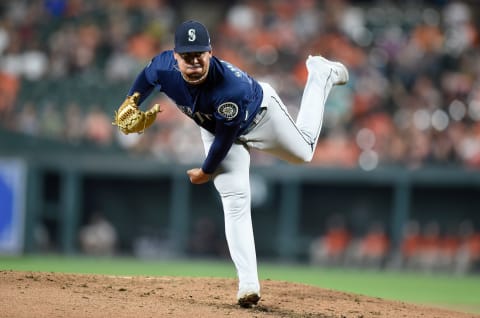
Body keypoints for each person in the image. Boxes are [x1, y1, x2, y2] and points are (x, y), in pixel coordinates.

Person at [117, 20, 348, 308]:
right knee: (234, 197)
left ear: (210, 53)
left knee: (304, 154)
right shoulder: (163, 67)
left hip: (260, 117)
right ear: (175, 56)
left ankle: (320, 75)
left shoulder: (230, 88)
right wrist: (131, 101)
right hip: (213, 126)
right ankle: (248, 284)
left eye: (199, 55)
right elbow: (146, 76)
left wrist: (206, 170)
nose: (193, 62)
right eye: (186, 56)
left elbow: (225, 140)